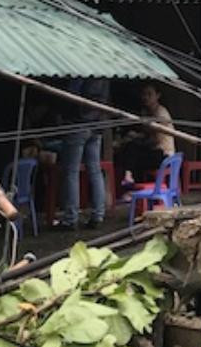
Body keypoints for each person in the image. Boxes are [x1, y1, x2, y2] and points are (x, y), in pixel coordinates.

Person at [54, 77, 108, 231]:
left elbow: (71, 95)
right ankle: (98, 215)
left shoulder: (80, 73)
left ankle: (71, 218)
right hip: (97, 125)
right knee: (95, 171)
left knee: (71, 172)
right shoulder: (104, 76)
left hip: (77, 124)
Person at [117, 82, 176, 183]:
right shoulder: (146, 112)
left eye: (149, 94)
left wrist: (137, 138)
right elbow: (146, 133)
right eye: (144, 94)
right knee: (129, 152)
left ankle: (131, 183)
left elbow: (154, 140)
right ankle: (130, 180)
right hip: (154, 151)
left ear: (158, 96)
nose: (146, 97)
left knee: (133, 153)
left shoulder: (161, 113)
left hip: (164, 155)